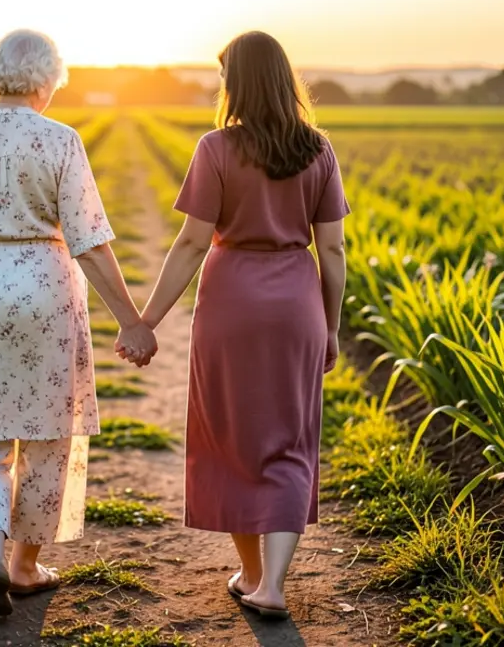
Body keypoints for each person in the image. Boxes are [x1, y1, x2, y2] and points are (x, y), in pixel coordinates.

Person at [0, 29, 157, 617]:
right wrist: (132, 322)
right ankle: (24, 568)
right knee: (47, 437)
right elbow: (92, 245)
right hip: (43, 293)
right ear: (48, 81)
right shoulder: (61, 140)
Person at [122, 31, 349, 619]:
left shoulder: (216, 148)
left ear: (237, 83)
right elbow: (335, 252)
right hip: (297, 302)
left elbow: (194, 240)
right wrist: (331, 326)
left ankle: (250, 573)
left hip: (230, 302)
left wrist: (146, 320)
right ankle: (269, 583)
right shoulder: (318, 150)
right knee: (290, 439)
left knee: (231, 436)